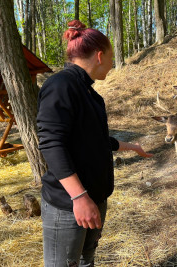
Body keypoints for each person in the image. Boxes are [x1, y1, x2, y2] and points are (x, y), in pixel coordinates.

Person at [36, 20, 153, 267]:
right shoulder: (60, 85)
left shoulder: (90, 93)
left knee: (85, 261)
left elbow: (94, 141)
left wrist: (132, 147)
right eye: (112, 59)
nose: (111, 65)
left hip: (94, 199)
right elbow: (51, 143)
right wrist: (79, 198)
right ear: (100, 56)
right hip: (69, 205)